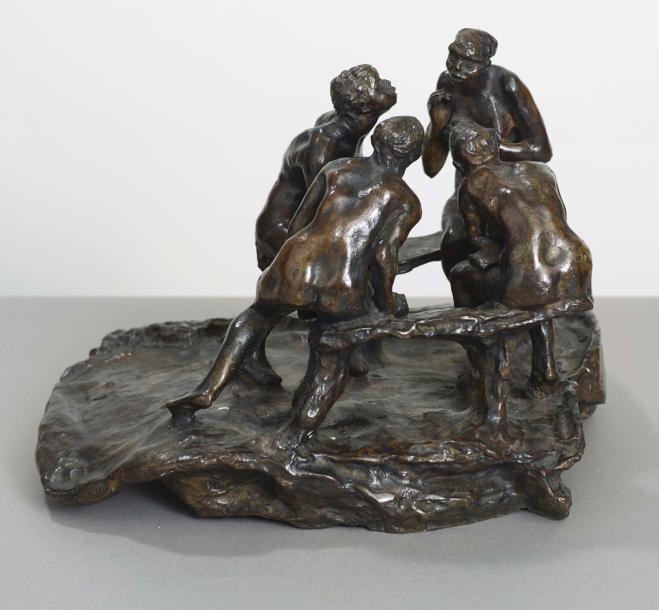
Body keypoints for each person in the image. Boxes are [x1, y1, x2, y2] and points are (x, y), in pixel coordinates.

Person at [167, 116, 424, 430]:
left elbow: (300, 222)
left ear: (375, 140)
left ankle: (207, 389)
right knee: (334, 340)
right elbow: (384, 256)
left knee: (256, 316)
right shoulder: (406, 201)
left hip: (298, 260)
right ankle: (303, 416)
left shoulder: (337, 169)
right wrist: (386, 304)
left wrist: (285, 266)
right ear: (414, 155)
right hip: (343, 280)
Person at [249, 64, 396, 384]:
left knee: (335, 284)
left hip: (308, 223)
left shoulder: (349, 128)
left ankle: (348, 348)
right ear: (363, 105)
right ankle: (250, 353)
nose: (388, 84)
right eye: (379, 84)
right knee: (279, 298)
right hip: (287, 227)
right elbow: (320, 204)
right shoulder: (326, 144)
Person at [447, 123, 592, 392]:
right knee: (537, 289)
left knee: (461, 275)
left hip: (531, 271)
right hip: (575, 263)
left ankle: (479, 366)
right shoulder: (540, 170)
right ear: (495, 145)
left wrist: (494, 249)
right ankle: (546, 369)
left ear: (459, 160)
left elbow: (475, 236)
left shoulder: (473, 184)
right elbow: (552, 222)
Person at [421, 28, 552, 277]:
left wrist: (484, 147)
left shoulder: (506, 85)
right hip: (466, 191)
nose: (457, 66)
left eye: (468, 61)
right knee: (454, 240)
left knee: (517, 249)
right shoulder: (446, 85)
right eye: (453, 56)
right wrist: (437, 127)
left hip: (509, 188)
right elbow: (431, 168)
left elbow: (541, 150)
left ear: (485, 63)